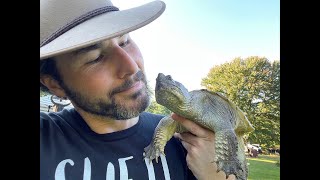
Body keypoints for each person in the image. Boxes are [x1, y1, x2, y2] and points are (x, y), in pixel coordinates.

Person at [40, 0, 236, 179]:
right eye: (95, 58)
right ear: (54, 84)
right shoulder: (46, 137)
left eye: (125, 41)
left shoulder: (190, 139)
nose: (131, 66)